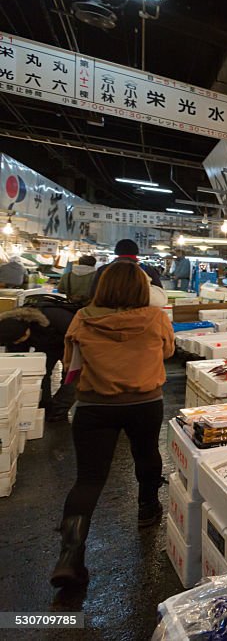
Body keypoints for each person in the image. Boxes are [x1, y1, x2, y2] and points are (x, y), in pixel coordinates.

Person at [50, 262, 174, 589]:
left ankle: (69, 556)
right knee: (146, 454)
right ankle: (148, 508)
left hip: (94, 407)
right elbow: (168, 351)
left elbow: (69, 364)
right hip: (145, 402)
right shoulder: (156, 317)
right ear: (142, 290)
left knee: (89, 479)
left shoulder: (82, 318)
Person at [0, 299, 78, 421]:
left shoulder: (57, 318)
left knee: (71, 377)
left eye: (21, 339)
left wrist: (70, 359)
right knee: (42, 373)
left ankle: (59, 410)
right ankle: (44, 406)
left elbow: (79, 337)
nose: (18, 342)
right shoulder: (10, 329)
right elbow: (21, 365)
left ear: (27, 328)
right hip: (47, 345)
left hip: (72, 344)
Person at [90, 239, 162, 295]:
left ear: (116, 251)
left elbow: (94, 292)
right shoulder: (147, 270)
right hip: (139, 311)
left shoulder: (103, 269)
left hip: (108, 310)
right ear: (136, 251)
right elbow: (159, 294)